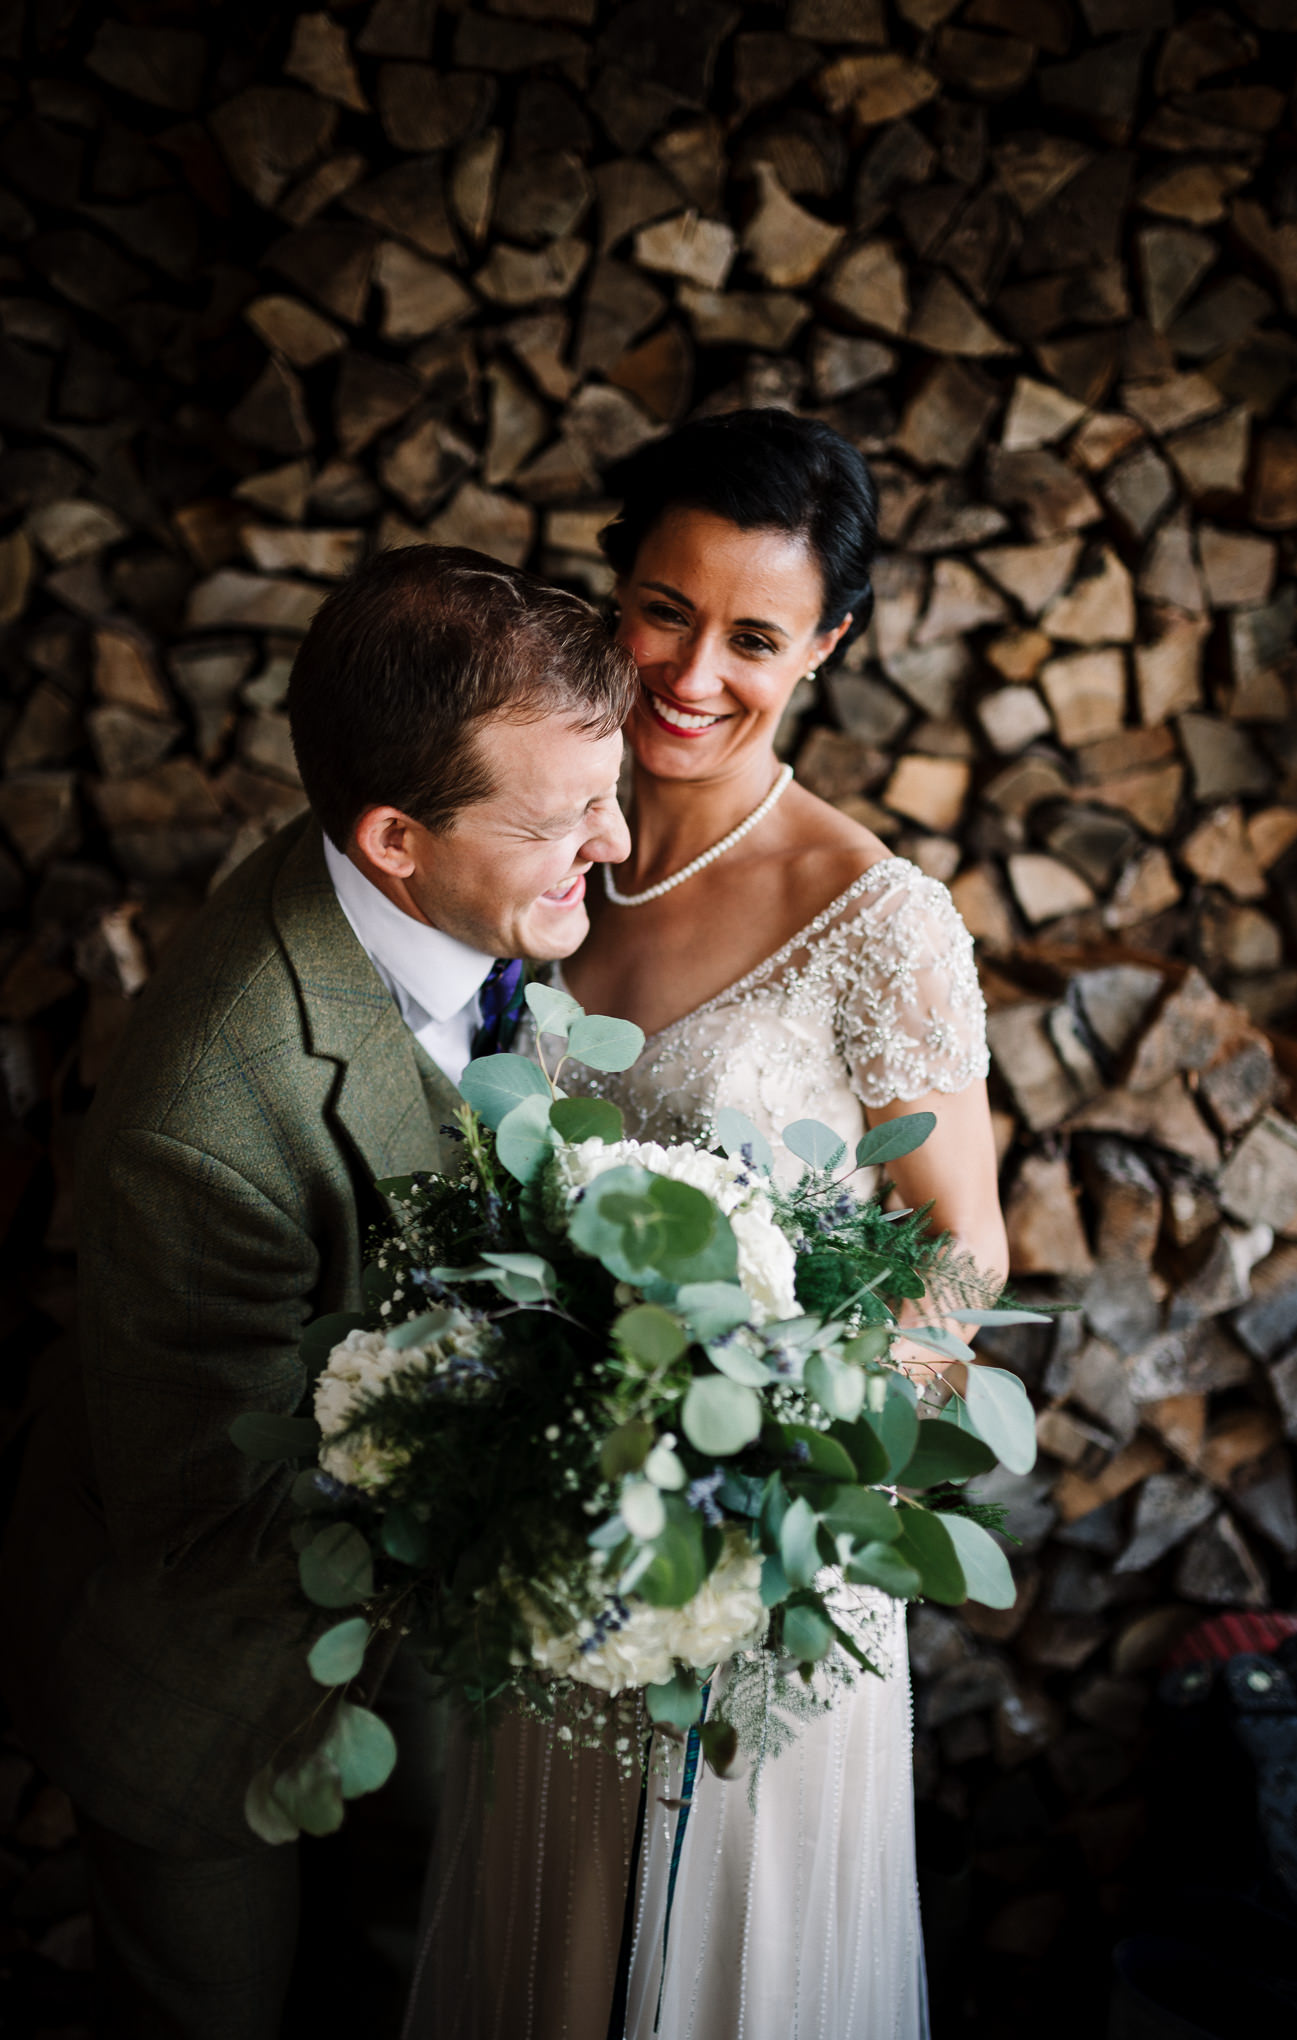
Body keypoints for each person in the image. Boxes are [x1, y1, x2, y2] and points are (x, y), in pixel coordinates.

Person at [406, 411, 1007, 2039]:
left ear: (825, 646)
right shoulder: (534, 856)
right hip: (550, 1538)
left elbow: (961, 1248)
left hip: (754, 1563)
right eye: (663, 610)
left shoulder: (874, 918)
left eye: (751, 635)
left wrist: (764, 1470)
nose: (690, 673)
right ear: (611, 594)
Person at [0, 545, 633, 2040]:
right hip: (195, 1678)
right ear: (394, 836)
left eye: (602, 794)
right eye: (557, 820)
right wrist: (566, 1446)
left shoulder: (469, 898)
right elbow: (208, 1504)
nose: (609, 843)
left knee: (418, 1970)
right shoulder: (206, 1123)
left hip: (411, 1644)